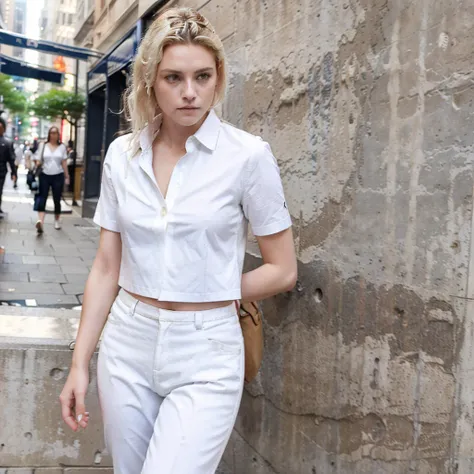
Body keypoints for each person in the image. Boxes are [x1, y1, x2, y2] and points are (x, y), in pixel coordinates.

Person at [59, 7, 297, 474]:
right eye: (173, 78)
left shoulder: (248, 157)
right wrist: (79, 363)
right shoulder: (120, 156)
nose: (190, 92)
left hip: (207, 349)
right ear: (150, 80)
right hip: (128, 340)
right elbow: (107, 268)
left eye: (202, 76)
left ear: (218, 77)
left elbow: (283, 269)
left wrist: (210, 289)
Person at [33, 126, 70, 233]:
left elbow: (64, 162)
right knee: (42, 197)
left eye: (55, 133)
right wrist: (38, 163)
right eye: (51, 133)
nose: (53, 135)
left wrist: (67, 176)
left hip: (58, 175)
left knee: (57, 198)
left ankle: (57, 220)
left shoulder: (62, 147)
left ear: (58, 135)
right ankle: (40, 221)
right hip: (44, 174)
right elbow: (37, 158)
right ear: (49, 134)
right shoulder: (43, 145)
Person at [0, 117, 17, 217]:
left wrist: (13, 173)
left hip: (1, 171)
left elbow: (11, 160)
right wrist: (13, 173)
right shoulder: (7, 143)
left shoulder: (7, 143)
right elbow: (11, 160)